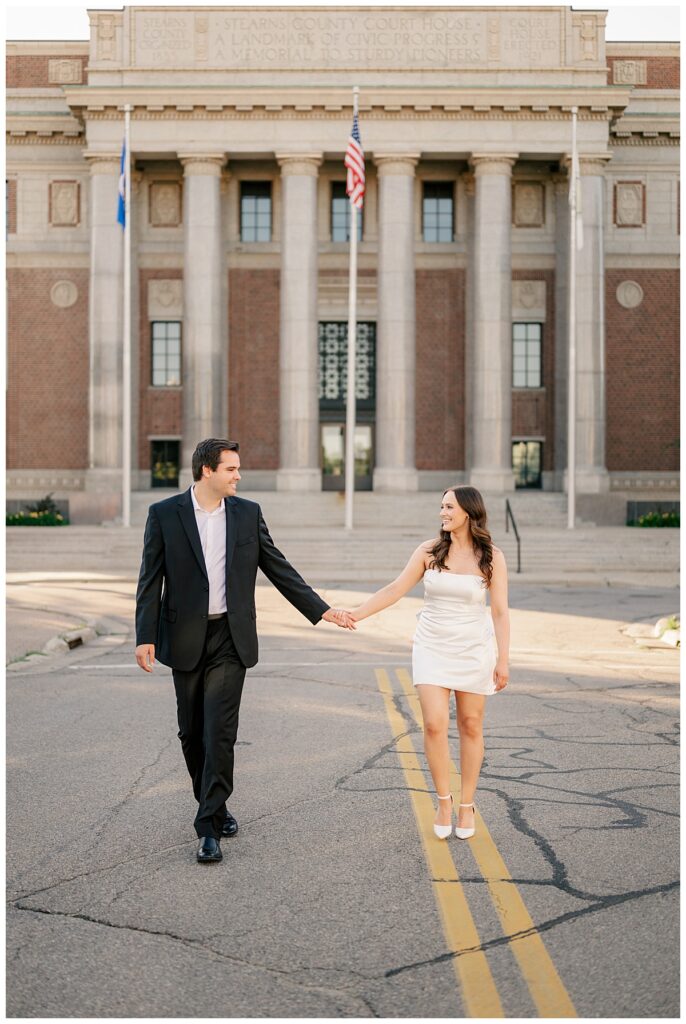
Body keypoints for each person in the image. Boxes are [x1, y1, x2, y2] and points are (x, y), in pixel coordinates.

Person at [134, 438, 354, 864]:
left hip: (231, 639)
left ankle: (207, 825)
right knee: (191, 732)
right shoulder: (164, 515)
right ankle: (214, 804)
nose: (239, 475)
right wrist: (145, 635)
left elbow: (278, 567)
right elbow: (150, 579)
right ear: (206, 472)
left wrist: (322, 610)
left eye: (237, 468)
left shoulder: (248, 513)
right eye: (231, 469)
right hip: (183, 637)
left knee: (219, 730)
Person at [350, 485, 509, 840]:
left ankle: (467, 805)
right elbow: (394, 589)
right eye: (441, 506)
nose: (443, 513)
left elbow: (499, 611)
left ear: (468, 512)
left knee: (470, 725)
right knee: (435, 725)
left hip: (473, 649)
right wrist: (355, 614)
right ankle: (443, 801)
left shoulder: (492, 556)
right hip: (432, 646)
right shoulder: (428, 551)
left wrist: (503, 660)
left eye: (449, 507)